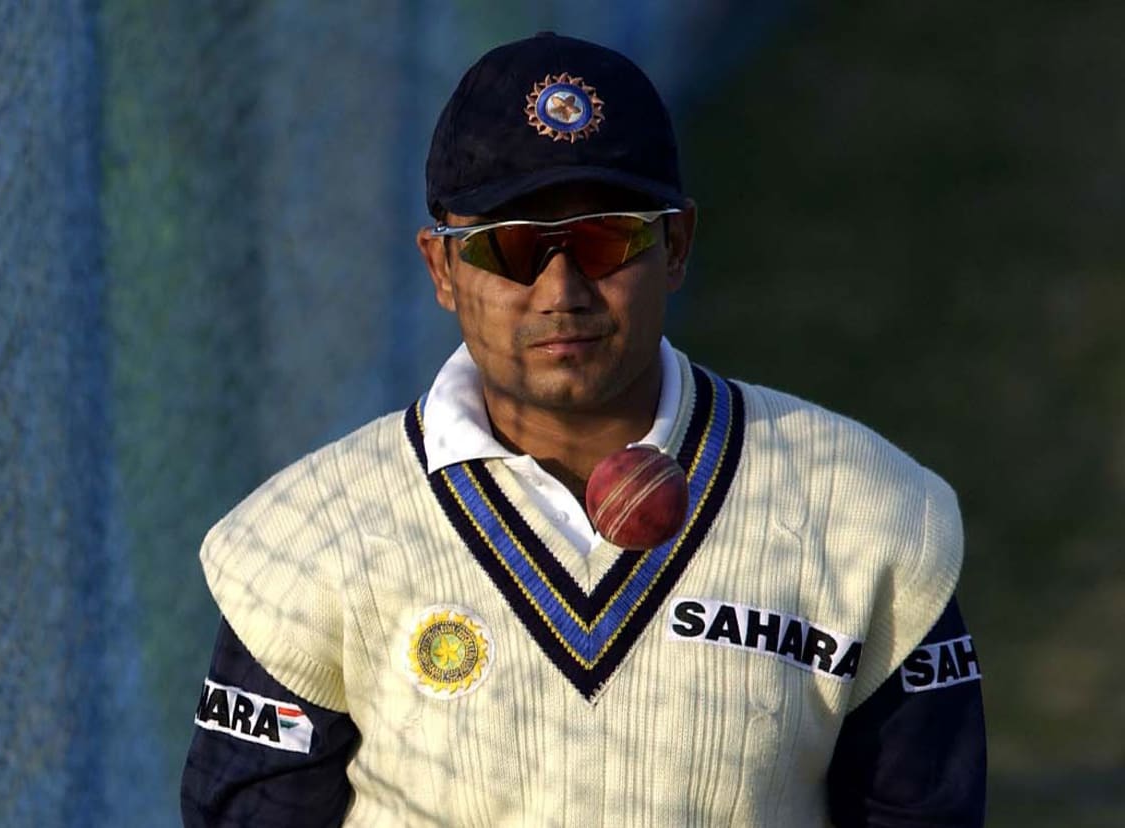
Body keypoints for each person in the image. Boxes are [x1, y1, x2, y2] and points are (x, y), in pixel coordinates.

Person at [180, 32, 984, 826]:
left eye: (606, 240)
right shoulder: (309, 537)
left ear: (675, 246)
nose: (561, 290)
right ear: (442, 269)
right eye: (512, 247)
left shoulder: (862, 512)